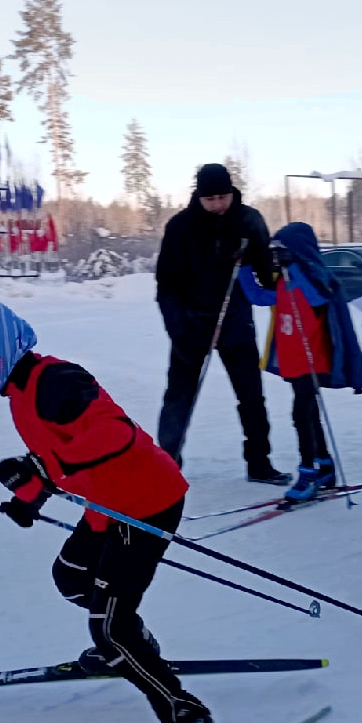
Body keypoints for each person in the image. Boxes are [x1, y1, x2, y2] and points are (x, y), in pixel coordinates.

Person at [0, 294, 230, 723]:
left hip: (144, 504)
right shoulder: (22, 392)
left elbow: (113, 433)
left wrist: (45, 471)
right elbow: (58, 456)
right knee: (71, 577)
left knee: (108, 627)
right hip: (109, 505)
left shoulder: (54, 382)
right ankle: (136, 649)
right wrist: (30, 493)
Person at [155, 163, 287, 484]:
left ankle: (259, 462)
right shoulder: (180, 227)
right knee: (179, 396)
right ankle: (165, 465)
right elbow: (166, 286)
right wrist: (180, 327)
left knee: (251, 395)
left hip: (236, 322)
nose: (218, 204)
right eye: (210, 198)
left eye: (223, 196)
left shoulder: (248, 220)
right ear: (199, 197)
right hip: (192, 323)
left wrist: (275, 267)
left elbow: (266, 274)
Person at [237, 222, 362, 501]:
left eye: (282, 250)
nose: (277, 255)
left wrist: (293, 267)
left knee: (301, 414)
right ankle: (324, 464)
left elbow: (317, 297)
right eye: (275, 251)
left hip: (313, 359)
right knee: (309, 414)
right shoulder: (283, 281)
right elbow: (259, 296)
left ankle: (307, 472)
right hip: (293, 360)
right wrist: (244, 268)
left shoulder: (313, 277)